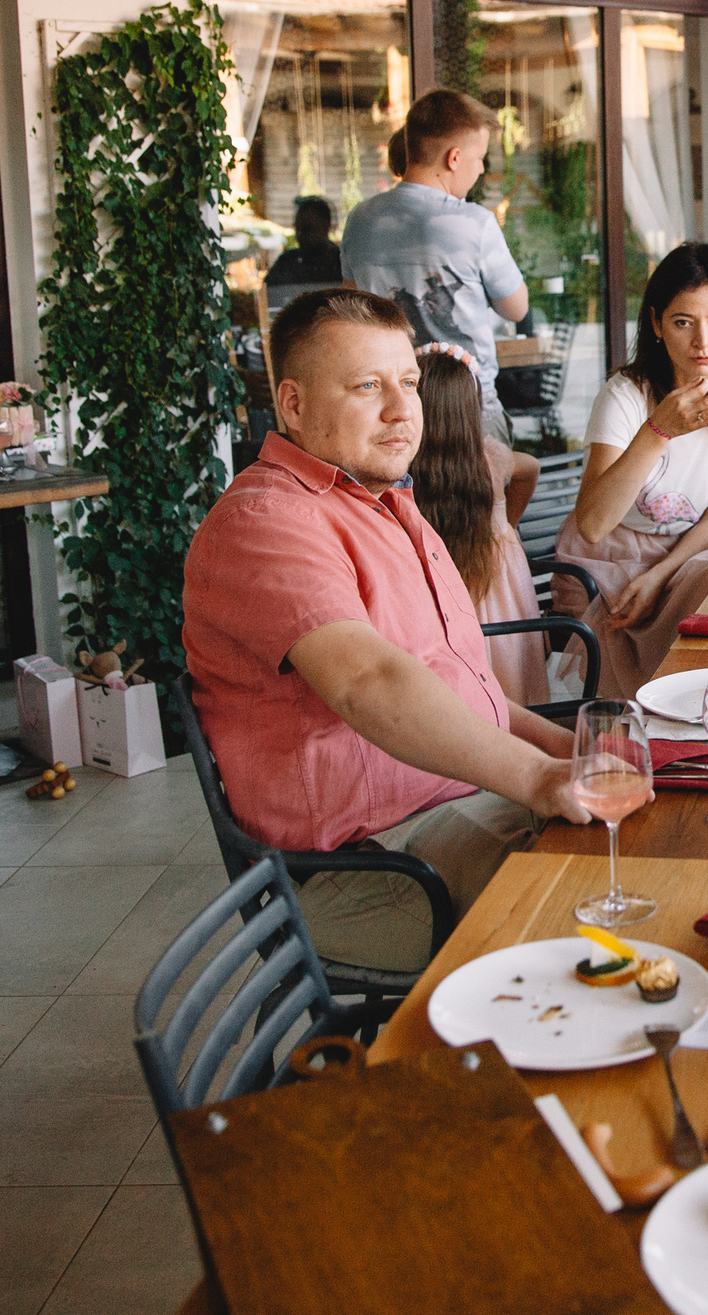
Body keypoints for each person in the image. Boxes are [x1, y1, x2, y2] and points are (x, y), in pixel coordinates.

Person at [182, 288, 589, 973]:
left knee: (649, 843)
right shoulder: (266, 520)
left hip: (442, 812)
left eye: (408, 383)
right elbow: (368, 680)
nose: (403, 409)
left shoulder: (385, 498)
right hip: (367, 873)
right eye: (368, 386)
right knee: (611, 903)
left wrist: (570, 747)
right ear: (293, 404)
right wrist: (542, 779)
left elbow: (458, 689)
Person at [554, 242, 708, 695]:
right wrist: (657, 431)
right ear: (655, 324)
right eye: (683, 322)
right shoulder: (625, 396)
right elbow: (592, 524)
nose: (702, 342)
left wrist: (660, 575)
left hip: (687, 552)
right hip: (614, 556)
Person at [341, 88, 529, 440]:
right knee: (486, 493)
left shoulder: (360, 219)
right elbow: (516, 308)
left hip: (390, 407)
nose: (482, 168)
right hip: (467, 403)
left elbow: (353, 306)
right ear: (454, 158)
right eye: (481, 157)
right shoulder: (475, 222)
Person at [410, 342, 548, 710]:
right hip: (500, 591)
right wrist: (505, 527)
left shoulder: (403, 472)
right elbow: (531, 466)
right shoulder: (493, 458)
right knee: (510, 684)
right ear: (471, 408)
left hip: (440, 601)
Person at [265, 195, 343, 286]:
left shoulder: (340, 263)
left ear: (326, 226)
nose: (301, 235)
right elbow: (265, 294)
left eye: (308, 229)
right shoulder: (288, 262)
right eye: (298, 229)